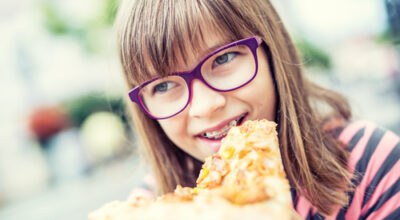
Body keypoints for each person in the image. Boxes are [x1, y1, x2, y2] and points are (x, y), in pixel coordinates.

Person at [114, 0, 400, 219]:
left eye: (224, 58)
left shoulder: (373, 165)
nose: (205, 106)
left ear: (272, 52)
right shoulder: (152, 203)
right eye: (163, 86)